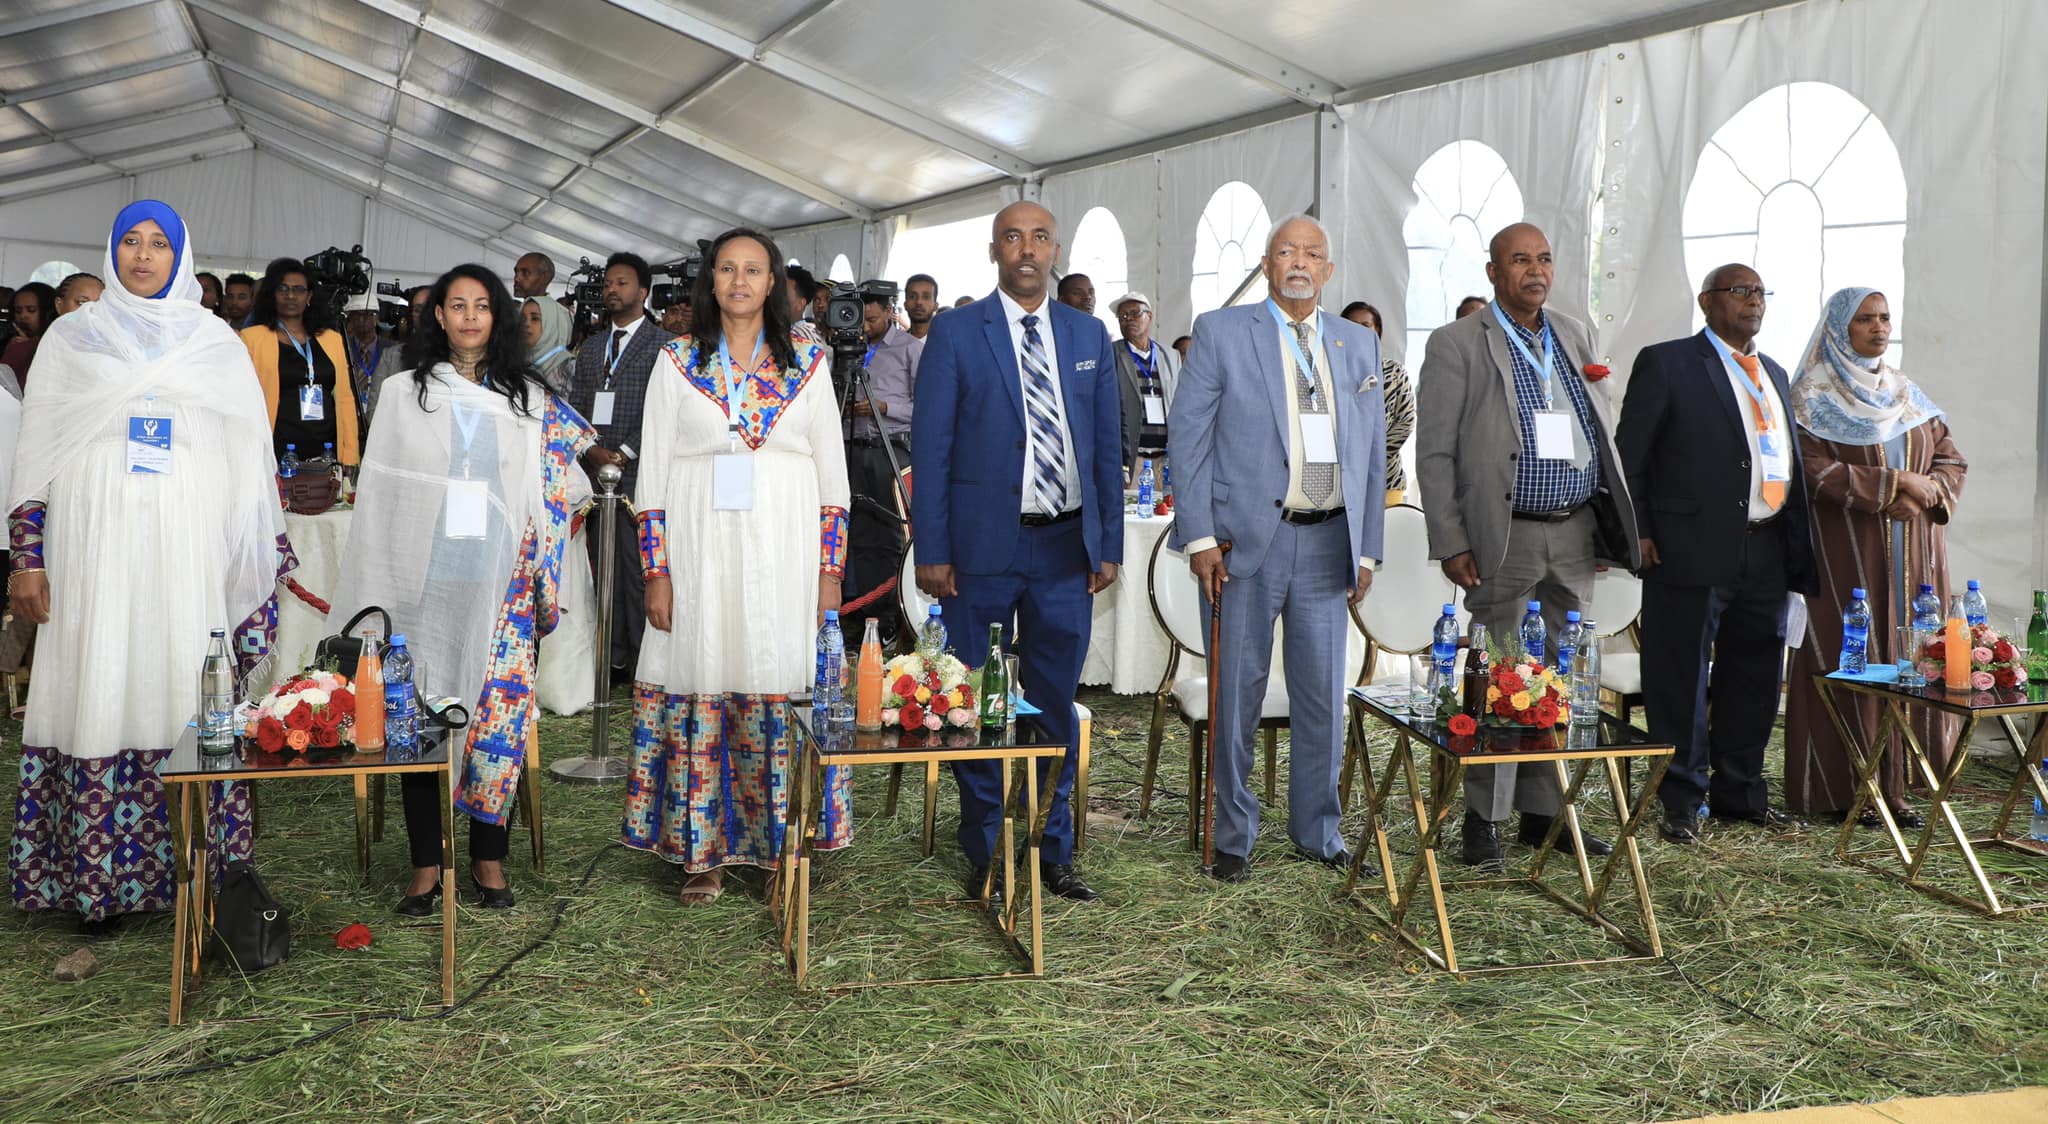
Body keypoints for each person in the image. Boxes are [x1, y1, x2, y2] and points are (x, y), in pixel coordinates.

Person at [8, 200, 283, 938]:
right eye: (130, 240)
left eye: (159, 243)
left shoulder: (213, 343)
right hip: (93, 548)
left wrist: (245, 551)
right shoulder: (73, 337)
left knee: (176, 678)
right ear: (111, 250)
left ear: (181, 255)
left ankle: (195, 872)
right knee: (99, 674)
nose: (143, 254)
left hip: (184, 549)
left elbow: (247, 457)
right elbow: (33, 454)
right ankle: (97, 883)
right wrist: (26, 557)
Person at [330, 263, 596, 914]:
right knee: (422, 718)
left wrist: (540, 575)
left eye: (483, 305)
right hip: (425, 578)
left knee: (496, 725)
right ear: (439, 316)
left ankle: (487, 858)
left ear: (497, 317)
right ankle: (426, 864)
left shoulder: (526, 397)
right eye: (457, 305)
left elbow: (556, 485)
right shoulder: (404, 393)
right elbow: (386, 495)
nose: (471, 316)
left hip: (502, 584)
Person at [621, 227, 852, 906]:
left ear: (774, 282)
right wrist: (656, 572)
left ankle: (783, 849)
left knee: (780, 676)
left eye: (755, 269)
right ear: (710, 280)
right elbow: (654, 474)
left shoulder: (808, 360)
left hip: (786, 552)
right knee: (704, 671)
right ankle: (702, 852)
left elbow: (834, 477)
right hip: (700, 550)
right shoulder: (676, 360)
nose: (741, 281)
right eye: (728, 269)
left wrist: (829, 571)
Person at [912, 201, 1122, 904]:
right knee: (973, 703)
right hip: (978, 550)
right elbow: (932, 448)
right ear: (995, 249)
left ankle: (1050, 847)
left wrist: (1108, 545)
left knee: (1055, 702)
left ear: (1054, 248)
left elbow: (1104, 450)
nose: (1026, 249)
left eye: (1038, 237)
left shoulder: (1087, 331)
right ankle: (986, 850)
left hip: (1066, 548)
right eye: (1013, 237)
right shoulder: (956, 333)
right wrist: (931, 548)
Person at [1169, 216, 1386, 882]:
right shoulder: (1222, 332)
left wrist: (1368, 549)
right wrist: (1199, 536)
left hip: (1329, 543)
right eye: (1287, 251)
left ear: (1328, 270)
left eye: (1313, 254)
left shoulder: (1357, 343)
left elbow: (1374, 453)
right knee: (1238, 692)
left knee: (1325, 695)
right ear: (1266, 265)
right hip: (1244, 544)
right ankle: (1233, 836)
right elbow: (1189, 439)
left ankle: (1318, 831)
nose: (1299, 262)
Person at [1416, 223, 1635, 869]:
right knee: (1500, 678)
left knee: (1563, 680)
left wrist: (1603, 523)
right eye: (1519, 260)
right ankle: (1482, 820)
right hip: (1501, 534)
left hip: (1572, 533)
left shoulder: (1572, 332)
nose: (1535, 271)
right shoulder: (1458, 341)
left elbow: (1596, 425)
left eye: (1543, 259)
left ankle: (1546, 816)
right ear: (1492, 271)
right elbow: (1433, 451)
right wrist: (1450, 540)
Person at [1618, 263, 1818, 845]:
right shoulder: (1669, 362)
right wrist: (1640, 533)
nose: (1753, 301)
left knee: (1755, 674)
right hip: (1687, 548)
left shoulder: (1774, 373)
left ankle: (1740, 791)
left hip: (1767, 545)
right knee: (1679, 673)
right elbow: (1632, 457)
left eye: (1759, 292)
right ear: (1707, 302)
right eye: (1739, 291)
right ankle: (1680, 799)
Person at [1782, 289, 1965, 828]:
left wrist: (1929, 489)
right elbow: (1811, 469)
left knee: (1911, 655)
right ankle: (1840, 789)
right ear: (1840, 328)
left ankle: (1904, 787)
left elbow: (1952, 456)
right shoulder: (1812, 396)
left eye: (1884, 318)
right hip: (1847, 556)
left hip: (1916, 558)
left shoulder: (1906, 393)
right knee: (1850, 656)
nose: (1878, 328)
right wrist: (1892, 484)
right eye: (1865, 319)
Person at [564, 252, 674, 682]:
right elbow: (576, 408)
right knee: (598, 567)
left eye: (623, 283)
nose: (613, 290)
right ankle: (610, 656)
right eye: (609, 283)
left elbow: (663, 412)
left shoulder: (664, 345)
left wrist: (624, 453)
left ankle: (641, 659)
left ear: (643, 292)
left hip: (638, 472)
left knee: (635, 569)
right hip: (594, 475)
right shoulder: (591, 347)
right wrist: (590, 450)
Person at [843, 287, 922, 646]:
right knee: (857, 535)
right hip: (851, 449)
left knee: (891, 536)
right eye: (862, 319)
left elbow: (925, 406)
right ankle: (863, 614)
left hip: (891, 451)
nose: (867, 326)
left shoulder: (910, 349)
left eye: (873, 319)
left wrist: (885, 407)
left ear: (889, 312)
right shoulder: (847, 351)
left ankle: (894, 616)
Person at [243, 256, 360, 465]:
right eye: (283, 289)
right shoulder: (252, 338)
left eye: (298, 290)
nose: (290, 296)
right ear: (273, 295)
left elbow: (345, 399)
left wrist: (350, 456)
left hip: (326, 450)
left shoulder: (332, 339)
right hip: (275, 450)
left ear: (309, 297)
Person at [1339, 301, 1415, 505]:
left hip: (1387, 480)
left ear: (1377, 330)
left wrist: (1369, 456)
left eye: (1365, 326)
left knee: (1386, 537)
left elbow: (1406, 422)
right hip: (1341, 482)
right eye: (1350, 325)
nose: (1357, 331)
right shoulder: (1331, 371)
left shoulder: (1395, 372)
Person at [1109, 291, 1179, 477]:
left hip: (1166, 460)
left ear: (1149, 316)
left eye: (1135, 313)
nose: (1129, 319)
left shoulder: (1170, 356)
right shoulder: (1110, 354)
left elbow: (1180, 403)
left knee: (1166, 507)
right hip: (1132, 460)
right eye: (1123, 316)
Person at [341, 294, 390, 424]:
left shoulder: (391, 349)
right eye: (359, 313)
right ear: (351, 318)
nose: (364, 318)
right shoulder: (343, 347)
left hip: (383, 417)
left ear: (377, 318)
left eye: (370, 314)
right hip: (350, 417)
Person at [3, 282, 55, 385]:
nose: (23, 316)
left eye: (31, 310)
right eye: (18, 311)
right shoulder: (10, 341)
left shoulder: (57, 344)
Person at [524, 295, 575, 393]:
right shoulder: (516, 363)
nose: (526, 324)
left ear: (551, 323)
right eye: (522, 319)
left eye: (535, 319)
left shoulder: (569, 366)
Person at [904, 273, 939, 341]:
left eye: (926, 297)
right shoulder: (895, 345)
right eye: (912, 297)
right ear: (905, 304)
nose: (919, 302)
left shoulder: (947, 343)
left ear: (936, 306)